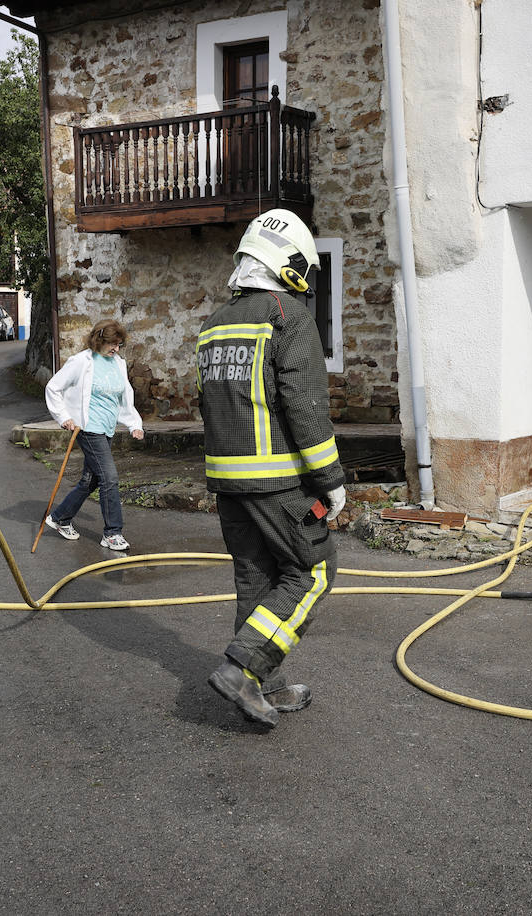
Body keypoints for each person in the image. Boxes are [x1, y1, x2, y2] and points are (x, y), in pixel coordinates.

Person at [195, 209, 346, 728]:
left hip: (227, 481)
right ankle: (243, 668)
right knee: (312, 571)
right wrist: (330, 479)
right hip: (278, 482)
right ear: (288, 265)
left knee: (256, 578)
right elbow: (303, 407)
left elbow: (207, 402)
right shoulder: (288, 316)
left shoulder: (214, 324)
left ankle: (263, 687)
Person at [42, 318, 144, 552]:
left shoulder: (117, 363)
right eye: (113, 344)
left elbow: (124, 397)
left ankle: (59, 518)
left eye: (119, 345)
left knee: (92, 479)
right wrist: (63, 416)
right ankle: (112, 533)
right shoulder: (81, 362)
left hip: (106, 429)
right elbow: (53, 387)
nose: (116, 349)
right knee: (110, 478)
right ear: (99, 340)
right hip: (87, 428)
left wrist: (133, 423)